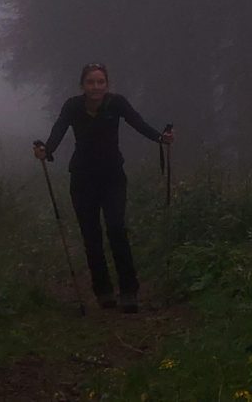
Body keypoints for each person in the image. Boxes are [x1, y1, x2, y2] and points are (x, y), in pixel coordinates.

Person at [33, 62, 173, 313]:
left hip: (112, 177)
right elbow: (58, 131)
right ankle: (103, 291)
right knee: (91, 236)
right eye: (91, 82)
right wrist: (46, 150)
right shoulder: (72, 106)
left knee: (117, 228)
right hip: (82, 179)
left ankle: (129, 291)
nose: (96, 87)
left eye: (100, 82)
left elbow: (138, 123)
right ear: (82, 85)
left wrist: (161, 138)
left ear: (107, 84)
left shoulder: (116, 103)